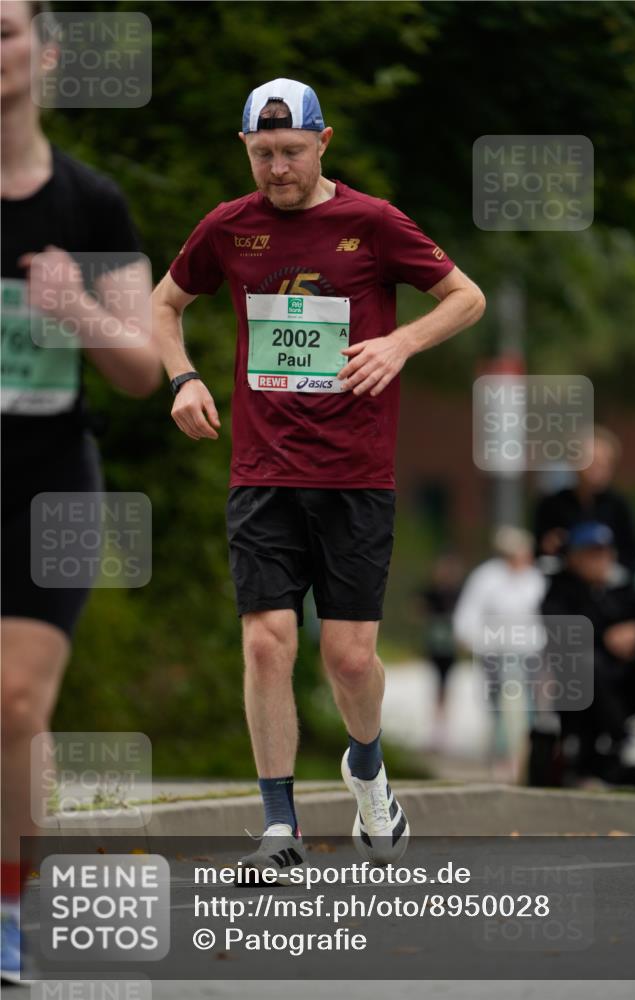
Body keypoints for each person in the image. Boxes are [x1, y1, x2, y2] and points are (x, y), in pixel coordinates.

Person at [152, 78, 485, 876]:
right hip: (262, 472)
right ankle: (279, 828)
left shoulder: (369, 223)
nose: (277, 169)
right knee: (268, 644)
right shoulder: (228, 229)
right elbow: (164, 305)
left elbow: (464, 297)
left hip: (354, 473)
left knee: (346, 658)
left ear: (323, 142)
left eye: (291, 152)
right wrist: (183, 380)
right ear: (245, 149)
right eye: (262, 154)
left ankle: (366, 769)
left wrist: (399, 345)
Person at [1, 1, 161, 981]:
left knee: (16, 702)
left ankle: (14, 911)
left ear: (46, 53)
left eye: (6, 30)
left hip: (48, 482)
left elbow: (143, 365)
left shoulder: (89, 202)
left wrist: (74, 310)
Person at [541, 522, 635, 789]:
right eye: (591, 553)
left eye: (603, 552)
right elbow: (561, 632)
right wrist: (606, 636)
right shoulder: (560, 593)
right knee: (589, 663)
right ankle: (618, 742)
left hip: (627, 684)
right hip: (587, 691)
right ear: (574, 557)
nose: (600, 560)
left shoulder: (623, 590)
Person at [452, 527, 546, 783]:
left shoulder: (536, 579)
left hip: (528, 652)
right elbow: (469, 613)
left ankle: (519, 756)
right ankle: (502, 752)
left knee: (523, 704)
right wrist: (472, 639)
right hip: (494, 651)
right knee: (497, 703)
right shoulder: (487, 577)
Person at [534, 426, 635, 578]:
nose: (597, 469)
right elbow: (538, 556)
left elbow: (631, 556)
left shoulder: (619, 506)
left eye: (604, 463)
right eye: (592, 461)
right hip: (563, 587)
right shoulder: (552, 505)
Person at [418, 553, 464, 751]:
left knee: (446, 684)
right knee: (437, 684)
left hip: (449, 646)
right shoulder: (432, 591)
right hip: (435, 644)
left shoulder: (458, 593)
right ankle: (437, 726)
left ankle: (443, 726)